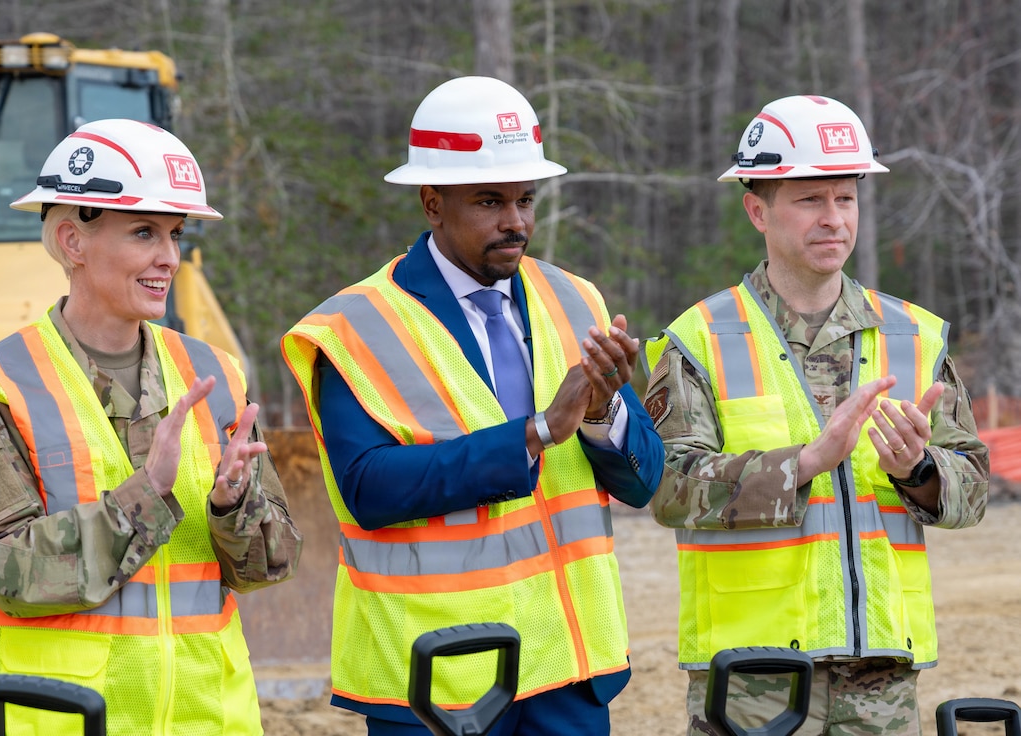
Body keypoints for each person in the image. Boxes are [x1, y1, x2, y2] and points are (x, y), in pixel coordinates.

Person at [282, 76, 665, 735]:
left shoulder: (574, 300)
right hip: (433, 681)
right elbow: (368, 489)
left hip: (565, 674)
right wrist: (541, 430)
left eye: (524, 198)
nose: (515, 220)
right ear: (432, 203)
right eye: (490, 200)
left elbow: (644, 481)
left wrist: (602, 414)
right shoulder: (354, 326)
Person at [0, 118, 302, 736]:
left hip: (207, 721)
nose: (169, 258)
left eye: (175, 234)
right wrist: (143, 498)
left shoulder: (213, 373)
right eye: (142, 233)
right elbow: (5, 572)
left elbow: (270, 566)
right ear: (73, 242)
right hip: (58, 721)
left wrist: (234, 506)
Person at [643, 95, 990, 734]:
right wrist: (804, 465)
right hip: (752, 676)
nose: (833, 219)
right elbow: (665, 487)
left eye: (846, 198)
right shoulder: (699, 338)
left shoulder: (915, 335)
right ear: (757, 209)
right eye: (809, 200)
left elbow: (972, 496)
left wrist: (921, 471)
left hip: (883, 676)